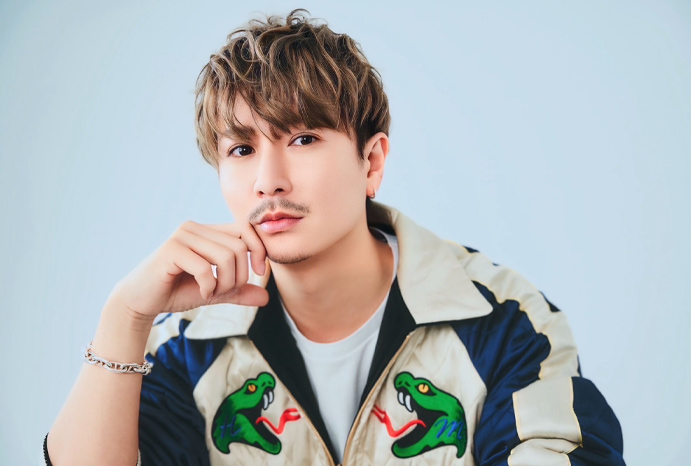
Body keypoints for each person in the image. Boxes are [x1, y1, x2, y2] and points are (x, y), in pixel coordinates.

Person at [45, 9, 625, 466]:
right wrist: (125, 316)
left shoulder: (505, 322)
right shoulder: (185, 349)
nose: (269, 181)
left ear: (372, 162)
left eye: (303, 139)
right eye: (242, 149)